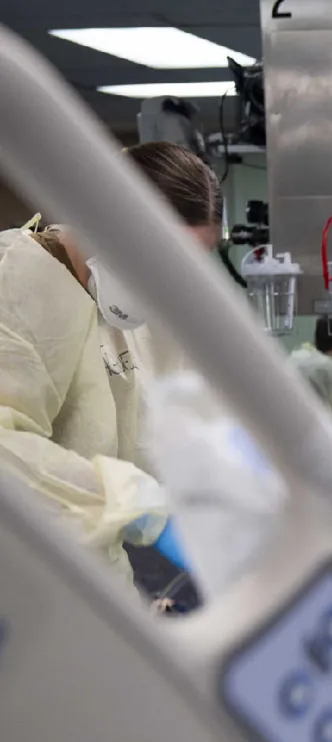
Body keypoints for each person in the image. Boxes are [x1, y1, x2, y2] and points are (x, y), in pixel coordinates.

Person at [0, 141, 222, 583]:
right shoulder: (15, 282)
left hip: (97, 586)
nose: (166, 286)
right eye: (158, 261)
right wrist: (133, 501)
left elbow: (164, 421)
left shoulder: (130, 311)